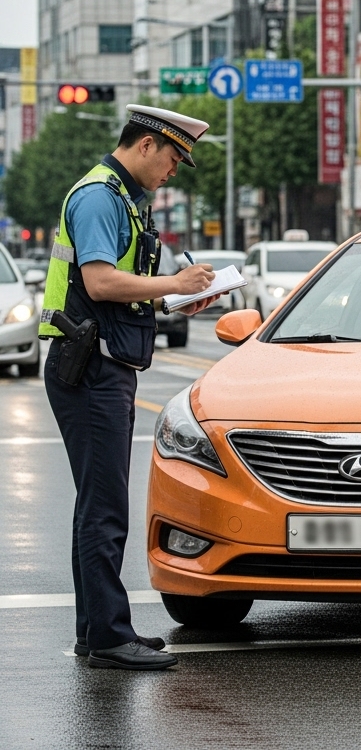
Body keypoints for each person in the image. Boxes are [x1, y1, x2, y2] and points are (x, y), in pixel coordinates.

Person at [39, 105, 219, 670]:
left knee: (97, 505)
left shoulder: (123, 199)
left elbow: (122, 288)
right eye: (171, 158)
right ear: (145, 145)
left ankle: (99, 632)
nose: (173, 171)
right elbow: (98, 280)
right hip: (90, 367)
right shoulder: (99, 197)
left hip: (102, 361)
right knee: (105, 508)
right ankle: (111, 637)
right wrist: (175, 280)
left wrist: (175, 299)